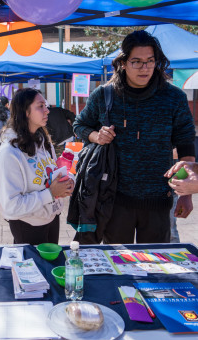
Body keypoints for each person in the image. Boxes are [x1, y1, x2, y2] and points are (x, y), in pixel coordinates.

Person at [73, 30, 195, 244]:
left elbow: (186, 147)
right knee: (118, 264)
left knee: (156, 267)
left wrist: (186, 193)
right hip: (114, 199)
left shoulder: (174, 97)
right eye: (136, 62)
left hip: (159, 199)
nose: (145, 68)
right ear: (123, 63)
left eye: (150, 61)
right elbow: (79, 125)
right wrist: (95, 135)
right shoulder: (104, 95)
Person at [0, 88, 74, 245]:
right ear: (25, 112)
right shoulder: (9, 153)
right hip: (28, 225)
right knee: (33, 268)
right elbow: (11, 206)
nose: (47, 111)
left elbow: (51, 171)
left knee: (49, 268)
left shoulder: (43, 140)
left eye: (46, 105)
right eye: (41, 106)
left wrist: (68, 181)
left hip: (51, 217)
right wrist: (51, 193)